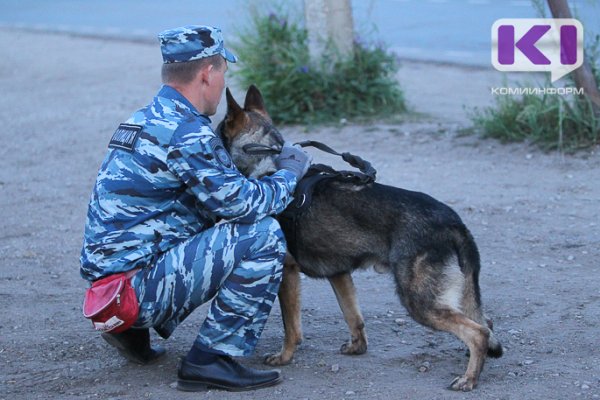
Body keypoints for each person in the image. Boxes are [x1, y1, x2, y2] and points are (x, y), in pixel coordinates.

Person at [80, 24, 312, 392]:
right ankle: (212, 358)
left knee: (204, 221)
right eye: (223, 72)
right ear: (208, 74)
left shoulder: (142, 119)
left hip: (109, 285)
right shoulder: (187, 132)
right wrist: (289, 172)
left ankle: (132, 332)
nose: (223, 84)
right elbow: (244, 205)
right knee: (263, 234)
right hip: (132, 290)